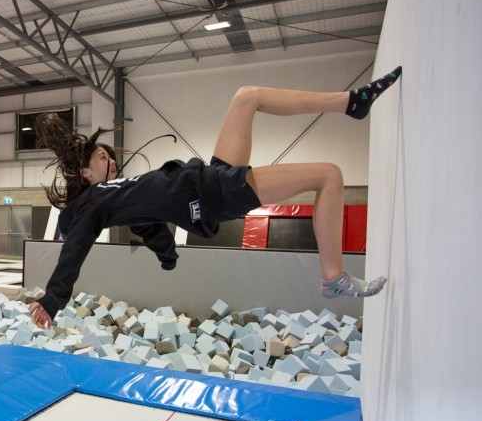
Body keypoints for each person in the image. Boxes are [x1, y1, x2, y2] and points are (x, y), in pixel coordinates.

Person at [29, 67, 401, 329]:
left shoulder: (117, 196)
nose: (109, 161)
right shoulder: (93, 205)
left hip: (210, 175)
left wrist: (167, 254)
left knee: (247, 97)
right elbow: (75, 248)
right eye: (100, 159)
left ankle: (350, 104)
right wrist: (52, 300)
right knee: (329, 175)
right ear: (85, 175)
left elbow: (148, 224)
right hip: (215, 196)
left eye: (109, 156)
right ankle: (333, 275)